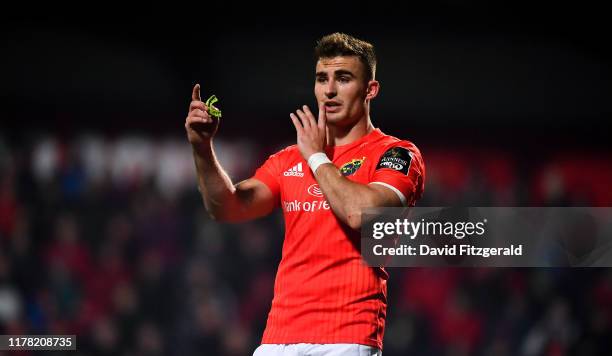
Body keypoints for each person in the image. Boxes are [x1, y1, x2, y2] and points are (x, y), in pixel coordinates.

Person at [185, 32, 425, 356]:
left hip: (346, 336)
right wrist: (202, 149)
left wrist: (316, 157)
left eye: (343, 78)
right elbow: (227, 207)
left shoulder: (396, 154)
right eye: (321, 78)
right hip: (277, 338)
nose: (329, 90)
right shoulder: (288, 159)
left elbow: (363, 215)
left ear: (370, 90)